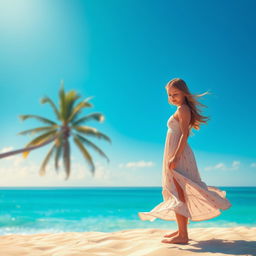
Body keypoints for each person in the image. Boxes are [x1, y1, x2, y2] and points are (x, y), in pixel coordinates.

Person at [138, 78, 232, 244]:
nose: (172, 97)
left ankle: (183, 235)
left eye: (175, 94)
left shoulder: (183, 109)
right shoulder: (180, 109)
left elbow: (184, 134)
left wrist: (175, 156)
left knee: (178, 193)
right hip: (174, 152)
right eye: (169, 95)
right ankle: (181, 231)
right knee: (177, 192)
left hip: (179, 154)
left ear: (184, 93)